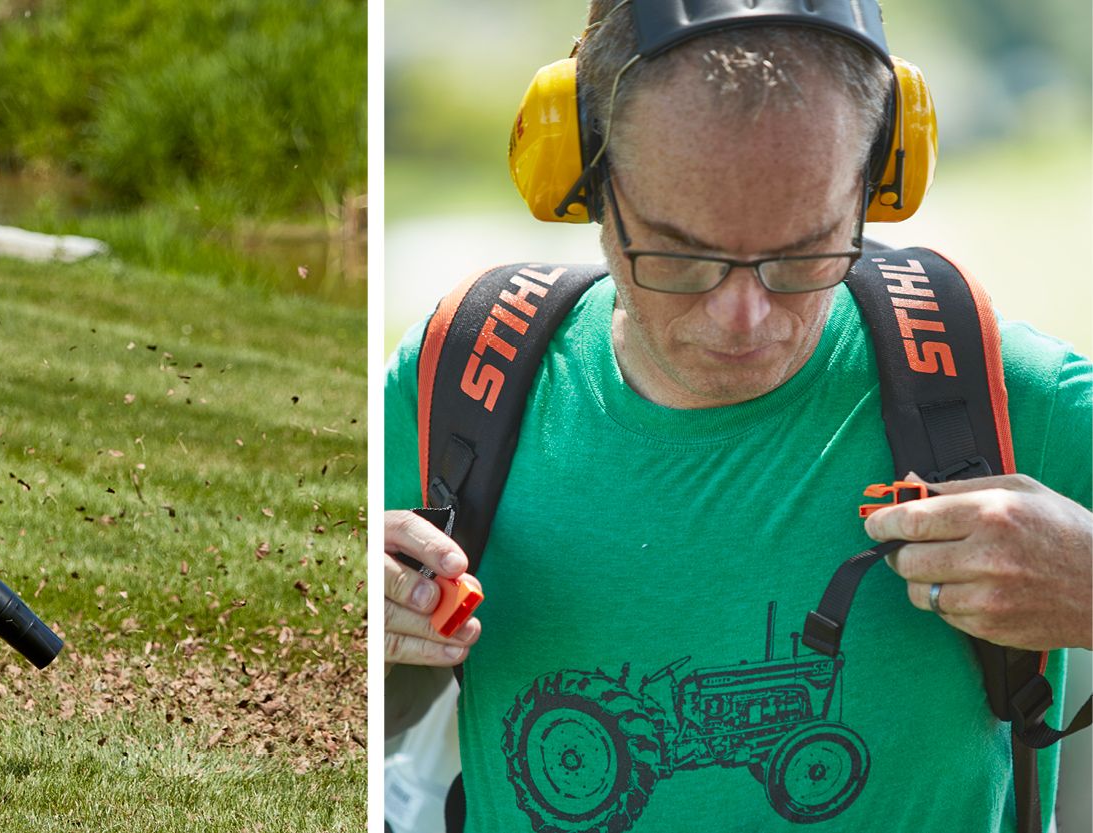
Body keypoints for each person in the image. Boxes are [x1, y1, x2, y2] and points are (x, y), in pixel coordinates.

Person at [383, 2, 1091, 830]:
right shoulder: (459, 382)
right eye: (680, 254)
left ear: (879, 182)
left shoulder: (999, 393)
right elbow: (368, 719)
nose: (743, 318)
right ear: (579, 175)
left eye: (803, 252)